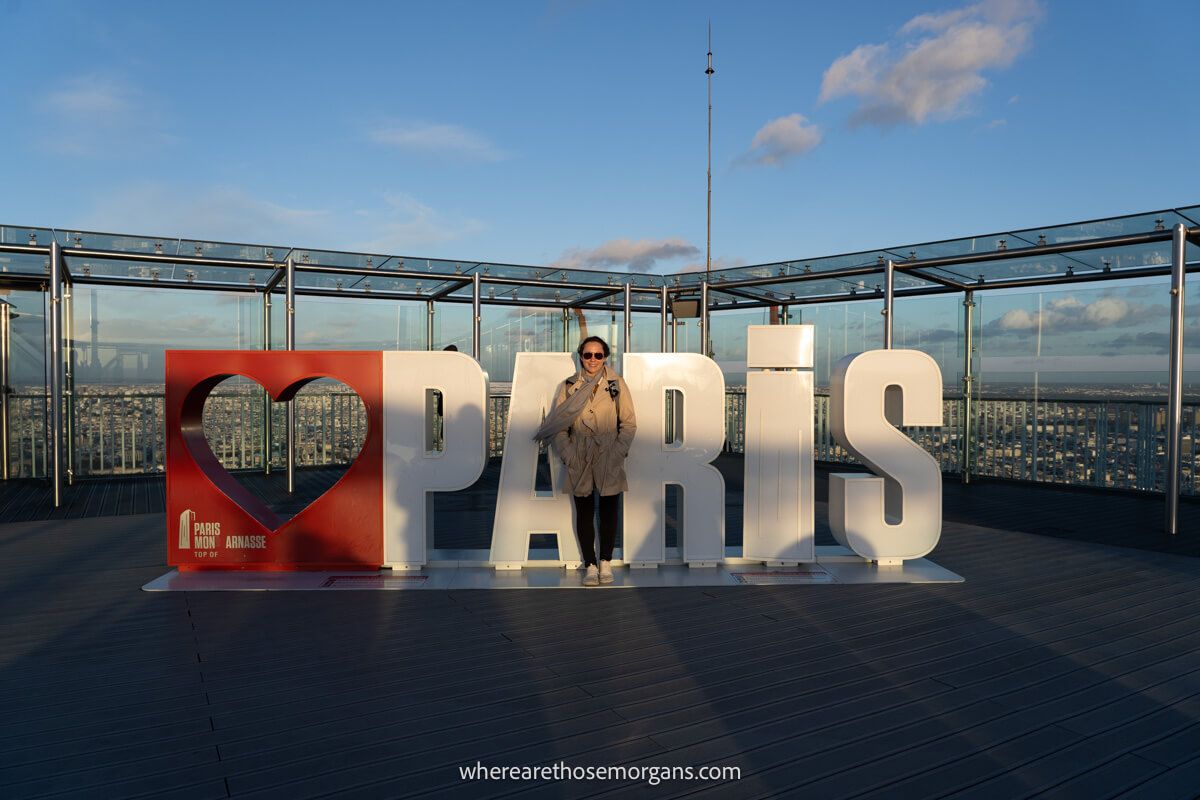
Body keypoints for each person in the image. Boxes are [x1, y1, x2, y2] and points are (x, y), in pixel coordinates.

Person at [532, 336, 636, 586]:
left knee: (610, 512)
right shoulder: (568, 386)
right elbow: (559, 426)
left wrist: (616, 453)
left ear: (605, 357)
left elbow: (629, 423)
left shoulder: (616, 384)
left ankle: (606, 562)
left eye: (598, 355)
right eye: (588, 355)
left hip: (608, 456)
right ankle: (590, 564)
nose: (592, 360)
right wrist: (569, 455)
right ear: (580, 356)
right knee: (584, 512)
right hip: (579, 456)